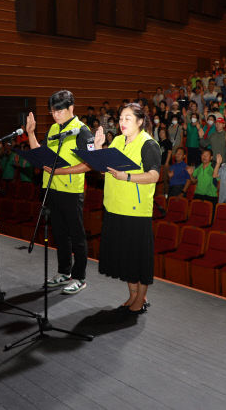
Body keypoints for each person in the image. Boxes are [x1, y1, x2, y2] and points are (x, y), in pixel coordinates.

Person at [26, 90, 95, 295]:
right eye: (52, 112)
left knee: (76, 235)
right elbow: (41, 154)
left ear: (71, 108)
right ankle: (64, 272)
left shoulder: (82, 130)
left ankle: (80, 277)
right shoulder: (54, 129)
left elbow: (90, 164)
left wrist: (61, 171)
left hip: (71, 191)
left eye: (59, 111)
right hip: (51, 189)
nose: (55, 115)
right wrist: (31, 133)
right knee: (60, 233)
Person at [97, 103, 161, 314]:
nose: (121, 123)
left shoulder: (148, 144)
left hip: (136, 211)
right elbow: (103, 171)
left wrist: (128, 177)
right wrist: (97, 149)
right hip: (115, 207)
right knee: (126, 257)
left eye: (127, 118)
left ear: (140, 121)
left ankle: (141, 297)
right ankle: (133, 294)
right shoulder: (116, 140)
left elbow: (154, 176)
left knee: (138, 258)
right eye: (120, 118)